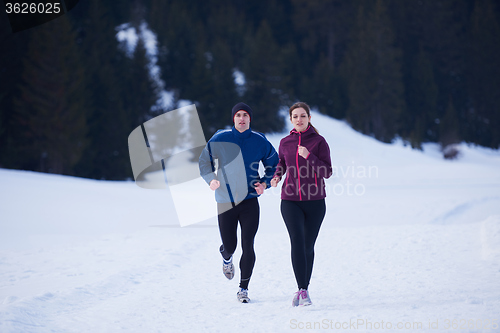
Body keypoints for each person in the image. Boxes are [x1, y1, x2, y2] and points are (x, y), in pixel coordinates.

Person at [199, 102, 278, 303]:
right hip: (225, 201)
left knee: (248, 244)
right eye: (238, 115)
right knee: (230, 245)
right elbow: (203, 162)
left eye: (245, 115)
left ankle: (243, 288)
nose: (242, 118)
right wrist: (211, 179)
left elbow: (274, 165)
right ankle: (226, 257)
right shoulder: (220, 138)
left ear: (250, 119)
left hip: (250, 200)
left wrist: (265, 183)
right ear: (233, 118)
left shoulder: (259, 141)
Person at [270, 102, 332, 307]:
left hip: (315, 202)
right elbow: (282, 163)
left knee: (307, 246)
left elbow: (327, 172)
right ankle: (302, 290)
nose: (299, 119)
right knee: (296, 240)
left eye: (303, 116)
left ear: (309, 118)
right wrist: (277, 176)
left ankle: (305, 286)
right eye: (295, 116)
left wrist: (309, 156)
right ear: (291, 119)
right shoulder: (285, 142)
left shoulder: (319, 142)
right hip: (290, 200)